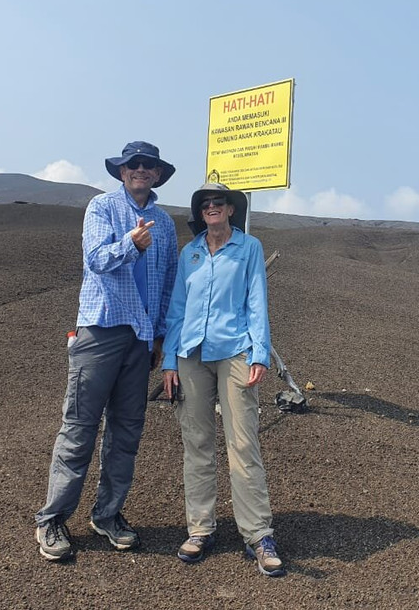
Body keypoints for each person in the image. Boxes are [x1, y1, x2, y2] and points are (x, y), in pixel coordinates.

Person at [34, 141, 178, 561]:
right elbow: (95, 259)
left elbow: (167, 282)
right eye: (133, 164)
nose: (140, 170)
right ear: (121, 172)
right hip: (99, 330)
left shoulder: (165, 223)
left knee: (126, 430)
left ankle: (108, 514)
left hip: (139, 337)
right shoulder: (101, 208)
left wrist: (160, 336)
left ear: (156, 174)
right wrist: (131, 245)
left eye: (148, 166)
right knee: (79, 427)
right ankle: (53, 519)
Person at [162, 182, 286, 577]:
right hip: (190, 355)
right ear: (200, 213)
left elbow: (256, 299)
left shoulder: (248, 248)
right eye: (206, 204)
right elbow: (178, 307)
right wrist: (168, 360)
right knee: (196, 442)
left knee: (243, 442)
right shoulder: (191, 252)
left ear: (231, 210)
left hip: (234, 352)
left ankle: (258, 534)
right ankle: (200, 528)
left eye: (219, 203)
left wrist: (260, 353)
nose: (212, 208)